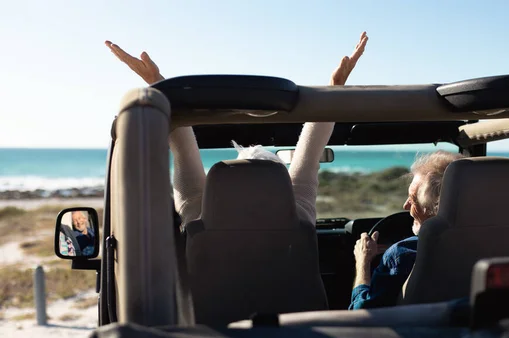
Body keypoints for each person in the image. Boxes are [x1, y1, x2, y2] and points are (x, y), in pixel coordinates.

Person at [105, 32, 368, 226]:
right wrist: (335, 88)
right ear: (280, 189)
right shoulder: (297, 215)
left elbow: (182, 146)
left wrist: (158, 84)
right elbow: (310, 154)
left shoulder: (198, 217)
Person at [349, 150, 465, 310]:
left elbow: (362, 314)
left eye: (413, 200)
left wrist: (363, 262)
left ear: (435, 209)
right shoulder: (502, 245)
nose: (406, 206)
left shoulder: (402, 254)